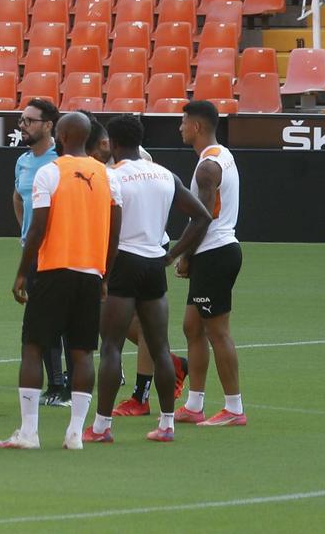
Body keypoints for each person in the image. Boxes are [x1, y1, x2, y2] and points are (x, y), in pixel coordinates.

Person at [89, 113, 211, 444]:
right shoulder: (164, 174)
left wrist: (102, 269)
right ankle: (167, 424)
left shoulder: (109, 176)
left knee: (111, 347)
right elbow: (202, 216)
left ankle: (101, 427)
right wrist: (172, 255)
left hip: (123, 261)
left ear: (112, 144)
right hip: (155, 262)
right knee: (159, 347)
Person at [0, 111, 118, 451]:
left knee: (33, 347)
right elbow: (115, 230)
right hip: (90, 273)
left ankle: (29, 432)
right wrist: (105, 273)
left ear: (62, 135)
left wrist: (23, 270)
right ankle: (75, 434)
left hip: (53, 270)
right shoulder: (108, 175)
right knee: (82, 352)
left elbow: (36, 228)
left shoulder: (49, 172)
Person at [176, 99, 246, 427]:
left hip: (215, 253)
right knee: (192, 325)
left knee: (217, 331)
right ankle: (194, 404)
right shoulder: (221, 157)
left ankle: (233, 408)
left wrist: (177, 254)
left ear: (197, 127)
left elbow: (201, 220)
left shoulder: (207, 167)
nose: (180, 128)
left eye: (184, 122)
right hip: (216, 252)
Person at [11, 98, 69, 407]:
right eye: (22, 120)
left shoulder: (59, 161)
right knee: (41, 319)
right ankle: (56, 385)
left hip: (60, 251)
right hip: (34, 252)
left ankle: (68, 386)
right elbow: (18, 198)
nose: (23, 126)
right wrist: (27, 233)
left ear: (48, 125)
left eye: (29, 121)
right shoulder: (22, 161)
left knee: (61, 321)